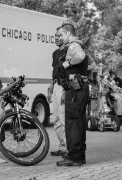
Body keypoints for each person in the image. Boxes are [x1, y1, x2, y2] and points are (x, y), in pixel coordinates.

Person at [56, 23, 89, 167]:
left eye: (61, 35)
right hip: (79, 87)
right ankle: (79, 156)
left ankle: (74, 157)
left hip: (76, 89)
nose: (60, 38)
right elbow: (91, 64)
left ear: (68, 33)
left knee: (72, 122)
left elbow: (80, 57)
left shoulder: (73, 45)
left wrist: (67, 63)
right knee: (79, 121)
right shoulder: (81, 44)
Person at [47, 26, 67, 156]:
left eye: (59, 36)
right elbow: (54, 73)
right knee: (55, 119)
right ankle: (62, 146)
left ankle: (68, 147)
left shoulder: (68, 52)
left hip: (65, 86)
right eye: (55, 36)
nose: (56, 38)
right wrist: (50, 89)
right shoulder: (55, 53)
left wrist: (65, 91)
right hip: (56, 86)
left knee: (63, 117)